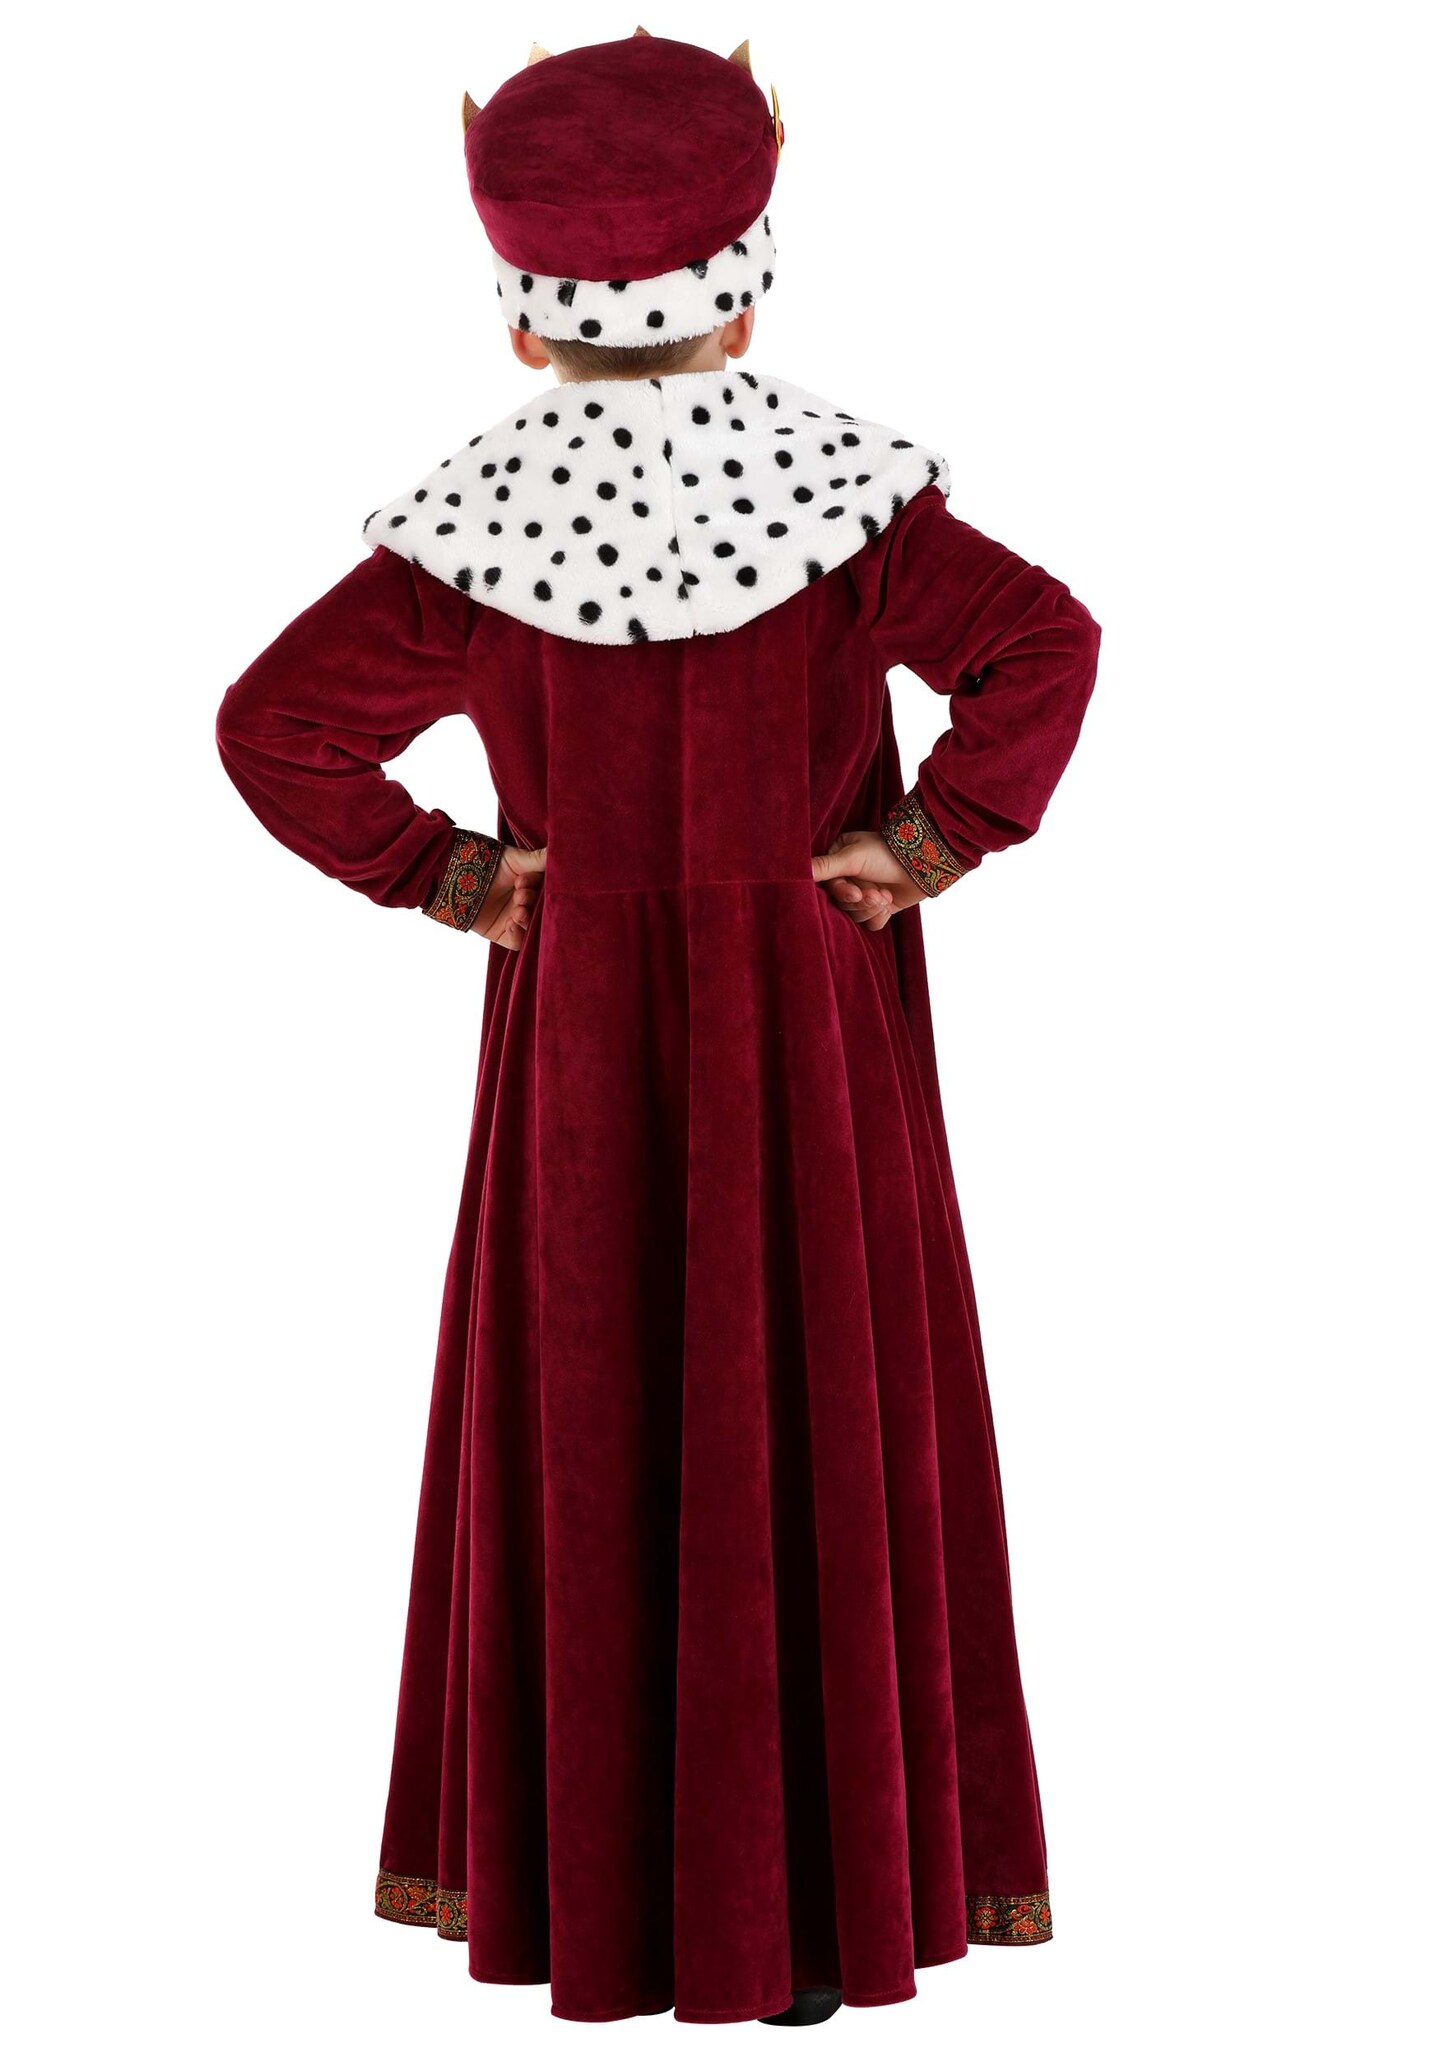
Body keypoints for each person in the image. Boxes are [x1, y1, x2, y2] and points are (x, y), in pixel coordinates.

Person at [215, 29, 1101, 2029]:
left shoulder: (472, 533)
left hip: (587, 1055)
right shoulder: (848, 503)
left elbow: (274, 728)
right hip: (808, 1035)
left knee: (597, 1410)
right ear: (748, 288)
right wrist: (924, 845)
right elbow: (1044, 644)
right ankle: (817, 1921)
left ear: (527, 320)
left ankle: (609, 1909)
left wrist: (460, 878)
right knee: (814, 1394)